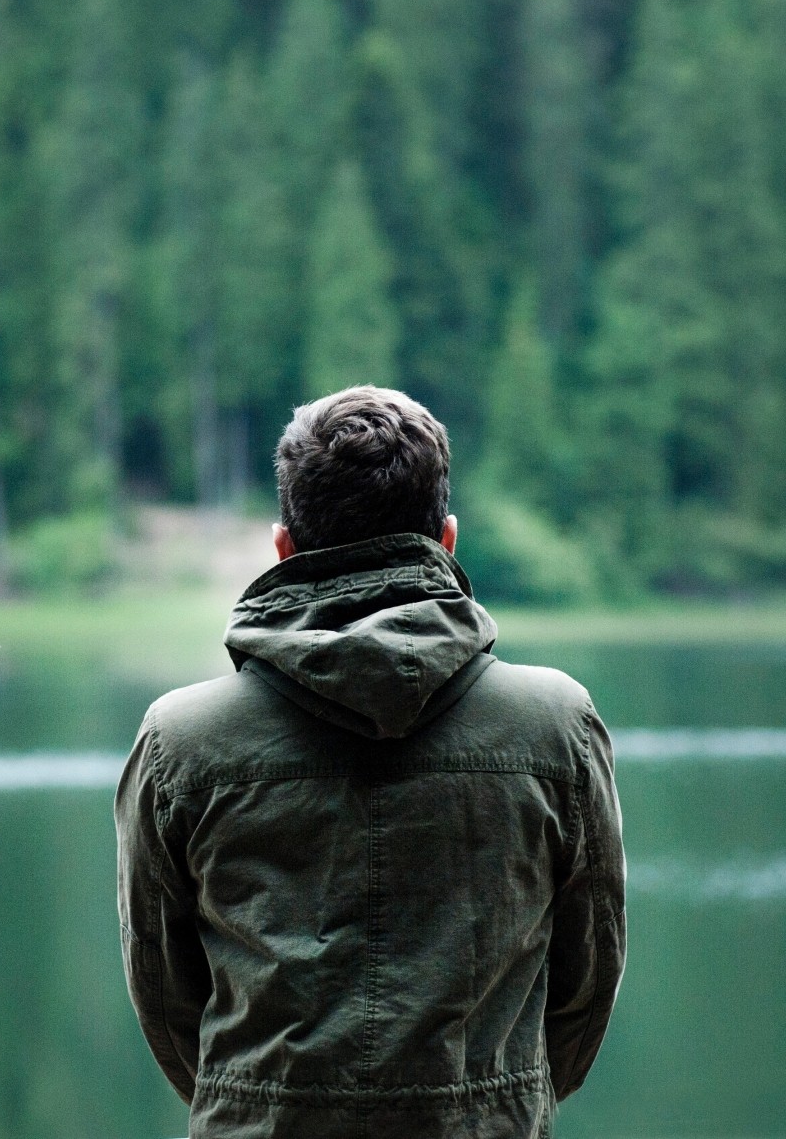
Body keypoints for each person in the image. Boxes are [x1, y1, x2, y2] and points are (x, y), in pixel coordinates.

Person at [116, 385, 626, 1138]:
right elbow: (588, 980)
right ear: (446, 540)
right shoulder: (556, 727)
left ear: (284, 547)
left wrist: (264, 1104)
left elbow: (165, 995)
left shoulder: (179, 742)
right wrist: (495, 1103)